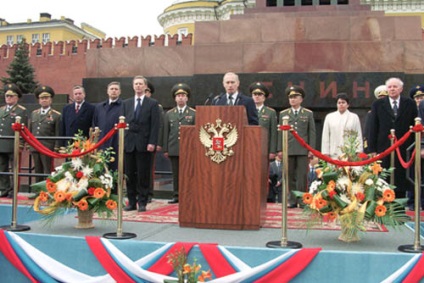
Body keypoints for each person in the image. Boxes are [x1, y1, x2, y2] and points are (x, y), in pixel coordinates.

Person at [368, 77, 417, 201]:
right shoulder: (378, 104)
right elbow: (373, 127)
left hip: (404, 148)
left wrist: (416, 147)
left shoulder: (409, 103)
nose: (392, 89)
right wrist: (372, 149)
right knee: (384, 179)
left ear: (401, 89)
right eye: (389, 87)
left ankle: (399, 208)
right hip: (384, 148)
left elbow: (415, 126)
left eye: (395, 87)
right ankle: (384, 208)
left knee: (401, 180)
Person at [121, 75, 161, 212]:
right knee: (130, 174)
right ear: (133, 86)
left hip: (145, 144)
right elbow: (122, 124)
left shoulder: (152, 104)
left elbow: (155, 125)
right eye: (136, 84)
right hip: (129, 144)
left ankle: (142, 202)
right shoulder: (126, 103)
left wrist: (152, 142)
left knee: (143, 174)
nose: (138, 86)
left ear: (145, 87)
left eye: (140, 84)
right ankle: (131, 202)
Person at [278, 85, 316, 208]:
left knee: (302, 176)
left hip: (302, 149)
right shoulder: (283, 114)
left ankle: (302, 200)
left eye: (295, 97)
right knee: (289, 176)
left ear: (301, 99)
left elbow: (312, 132)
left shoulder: (308, 114)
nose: (292, 100)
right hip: (288, 148)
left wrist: (311, 149)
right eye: (290, 97)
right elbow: (280, 133)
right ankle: (292, 200)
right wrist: (280, 149)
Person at [163, 83, 196, 204]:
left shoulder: (194, 113)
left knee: (188, 172)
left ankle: (189, 194)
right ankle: (176, 195)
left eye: (183, 95)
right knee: (176, 173)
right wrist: (166, 149)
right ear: (175, 98)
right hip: (174, 148)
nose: (181, 98)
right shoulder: (169, 114)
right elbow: (166, 132)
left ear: (187, 98)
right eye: (178, 96)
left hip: (189, 149)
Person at [0, 83, 28, 198]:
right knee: (2, 167)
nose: (9, 98)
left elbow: (23, 128)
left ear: (17, 97)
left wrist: (20, 144)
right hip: (2, 143)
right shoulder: (1, 110)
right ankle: (3, 188)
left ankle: (14, 190)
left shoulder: (21, 111)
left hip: (13, 144)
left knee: (15, 168)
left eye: (11, 96)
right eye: (7, 96)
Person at [29, 85, 61, 182]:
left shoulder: (56, 115)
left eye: (46, 98)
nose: (44, 100)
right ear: (39, 100)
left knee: (47, 170)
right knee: (37, 170)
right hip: (35, 146)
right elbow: (31, 130)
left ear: (51, 100)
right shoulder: (34, 113)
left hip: (47, 147)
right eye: (42, 98)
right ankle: (38, 191)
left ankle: (47, 190)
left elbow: (57, 132)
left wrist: (56, 147)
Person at [92, 81, 123, 172]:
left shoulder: (124, 106)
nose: (114, 91)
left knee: (115, 169)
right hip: (102, 143)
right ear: (107, 91)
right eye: (112, 89)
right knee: (101, 169)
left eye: (116, 89)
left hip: (116, 143)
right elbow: (95, 123)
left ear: (120, 92)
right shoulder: (99, 107)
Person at [321, 93, 363, 159]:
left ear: (348, 105)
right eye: (339, 102)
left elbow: (358, 135)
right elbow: (325, 136)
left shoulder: (354, 117)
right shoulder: (329, 117)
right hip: (334, 152)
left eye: (343, 102)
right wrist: (325, 152)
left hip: (350, 153)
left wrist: (359, 150)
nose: (341, 104)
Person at [144, 80, 164, 202]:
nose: (145, 93)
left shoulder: (156, 106)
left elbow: (160, 125)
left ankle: (149, 193)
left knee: (149, 168)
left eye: (147, 91)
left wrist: (158, 142)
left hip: (151, 142)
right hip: (137, 142)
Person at [250, 82, 277, 160]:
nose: (257, 96)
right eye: (255, 94)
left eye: (260, 94)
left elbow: (273, 133)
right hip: (250, 146)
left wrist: (272, 151)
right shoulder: (247, 110)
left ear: (264, 97)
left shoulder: (270, 112)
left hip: (265, 147)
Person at [363, 85, 388, 153]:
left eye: (385, 98)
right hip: (377, 147)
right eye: (381, 98)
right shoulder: (371, 114)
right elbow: (367, 132)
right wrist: (369, 149)